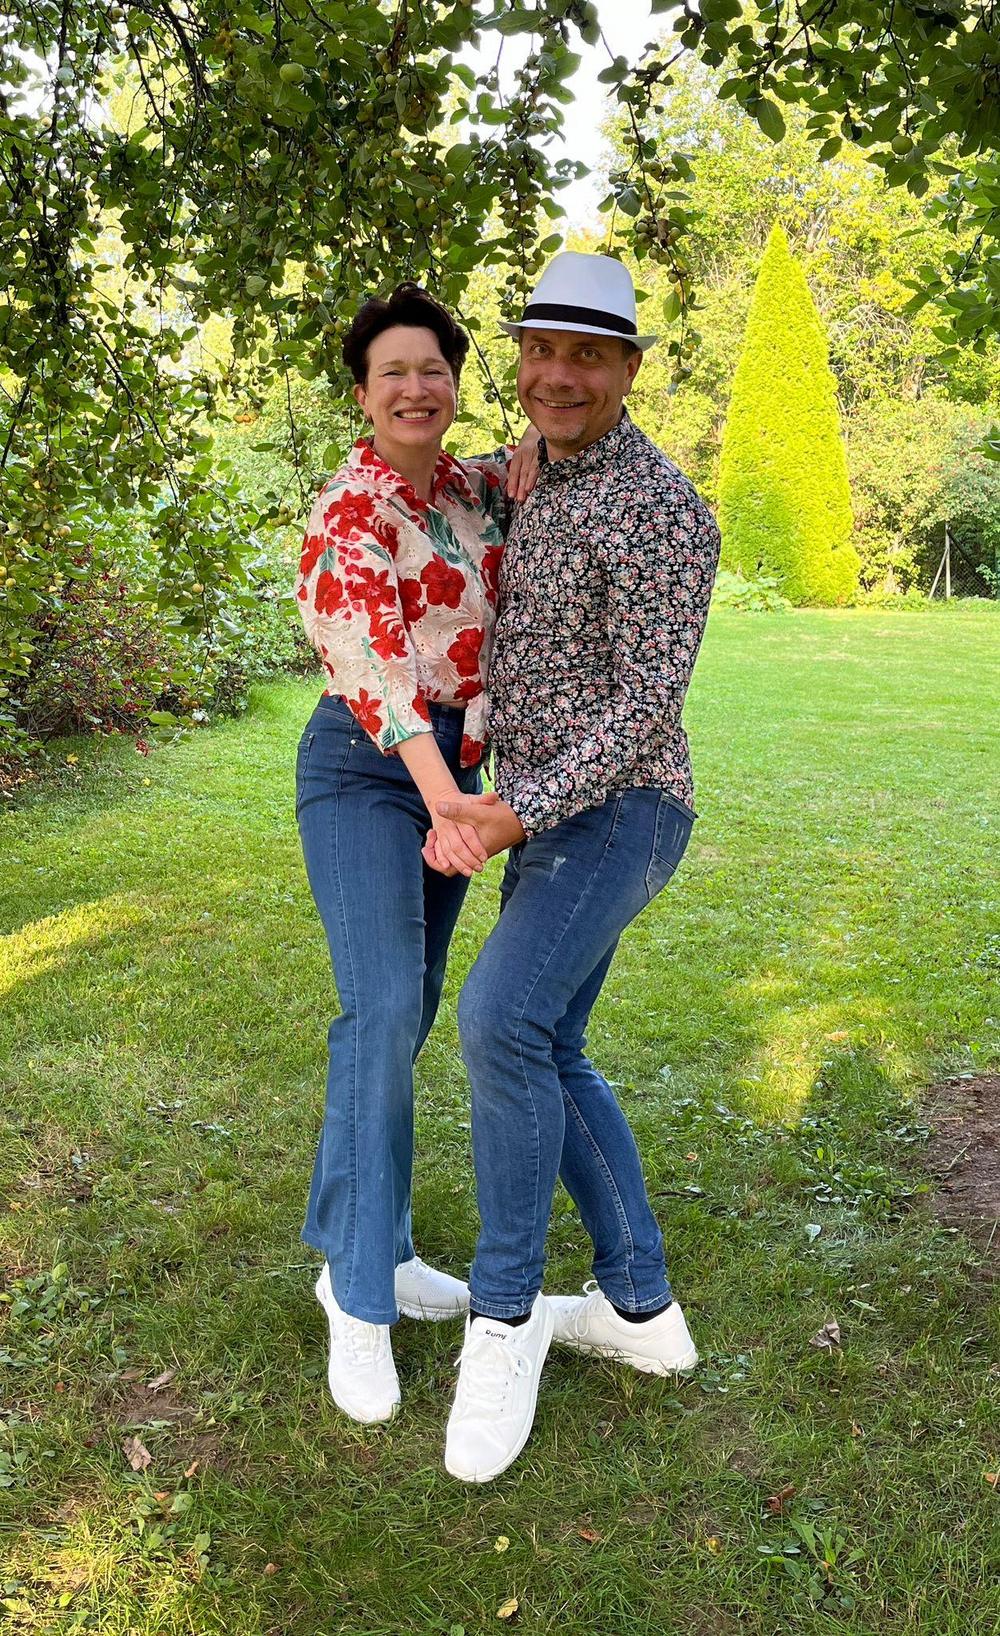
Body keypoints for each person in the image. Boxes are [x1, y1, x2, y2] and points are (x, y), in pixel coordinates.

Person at [424, 252, 722, 1483]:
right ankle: (640, 1308)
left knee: (500, 1022)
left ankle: (504, 1321)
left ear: (629, 370)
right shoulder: (524, 472)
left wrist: (510, 811)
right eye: (541, 348)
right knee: (546, 1041)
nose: (557, 374)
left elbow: (646, 704)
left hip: (621, 811)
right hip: (543, 814)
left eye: (587, 355)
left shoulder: (662, 509)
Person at [294, 282, 535, 1426]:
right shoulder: (348, 507)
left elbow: (551, 447)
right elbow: (379, 673)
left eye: (432, 368)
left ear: (453, 384)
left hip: (450, 770)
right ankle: (358, 1298)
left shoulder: (477, 490)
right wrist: (453, 808)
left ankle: (374, 1245)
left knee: (409, 1006)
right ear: (362, 393)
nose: (414, 387)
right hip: (367, 765)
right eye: (392, 371)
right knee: (381, 1009)